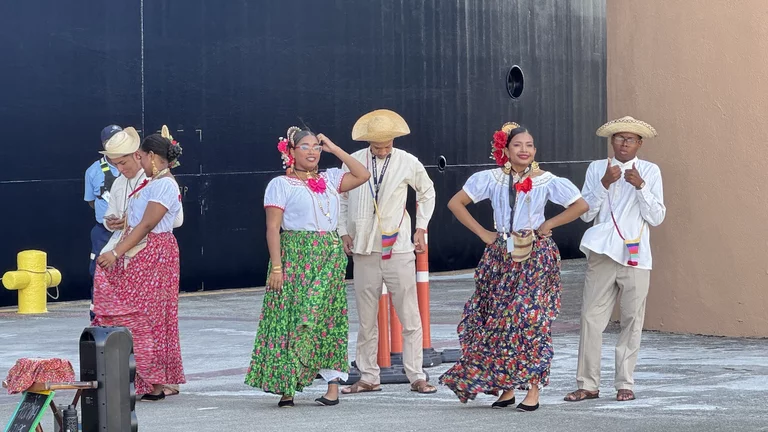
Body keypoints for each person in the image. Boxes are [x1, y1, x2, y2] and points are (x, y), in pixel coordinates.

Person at [439, 122, 588, 411]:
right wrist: (484, 233)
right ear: (506, 150)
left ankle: (533, 389)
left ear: (535, 150)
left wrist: (549, 223)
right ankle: (505, 388)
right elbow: (456, 203)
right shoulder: (492, 178)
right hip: (500, 255)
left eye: (529, 145)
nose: (524, 150)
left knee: (529, 319)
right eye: (518, 145)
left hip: (535, 254)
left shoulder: (546, 180)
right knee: (497, 319)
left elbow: (580, 205)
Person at [245, 127, 370, 408]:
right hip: (295, 256)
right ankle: (287, 386)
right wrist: (277, 268)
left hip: (329, 255)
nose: (312, 151)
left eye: (316, 146)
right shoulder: (281, 184)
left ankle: (332, 387)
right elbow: (273, 228)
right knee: (293, 318)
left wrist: (334, 148)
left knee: (328, 319)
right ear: (291, 151)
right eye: (305, 146)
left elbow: (362, 175)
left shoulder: (330, 179)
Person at [565, 116, 665, 403]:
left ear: (639, 143)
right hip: (602, 252)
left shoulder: (650, 171)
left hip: (636, 256)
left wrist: (641, 187)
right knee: (590, 317)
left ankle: (625, 383)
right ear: (612, 141)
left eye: (630, 139)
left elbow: (657, 217)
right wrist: (604, 184)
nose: (624, 143)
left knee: (632, 319)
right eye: (619, 138)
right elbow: (585, 213)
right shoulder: (597, 168)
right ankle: (587, 384)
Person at [337, 109, 437, 395]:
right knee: (366, 318)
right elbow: (342, 198)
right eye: (377, 146)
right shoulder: (354, 161)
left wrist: (421, 227)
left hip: (398, 247)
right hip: (364, 247)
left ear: (394, 140)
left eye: (387, 145)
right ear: (369, 142)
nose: (382, 150)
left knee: (409, 315)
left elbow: (427, 191)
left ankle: (416, 375)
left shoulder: (407, 161)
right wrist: (343, 231)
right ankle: (368, 376)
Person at [93, 130, 186, 401]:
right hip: (143, 251)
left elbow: (147, 224)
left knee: (149, 316)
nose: (140, 162)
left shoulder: (164, 185)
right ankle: (147, 378)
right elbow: (139, 220)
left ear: (152, 157)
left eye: (141, 157)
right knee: (141, 314)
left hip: (153, 254)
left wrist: (116, 252)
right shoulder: (152, 183)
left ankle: (155, 381)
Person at [84, 125, 122, 320]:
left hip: (130, 231)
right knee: (99, 272)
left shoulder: (134, 167)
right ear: (104, 144)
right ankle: (97, 315)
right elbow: (91, 201)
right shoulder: (93, 171)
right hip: (103, 232)